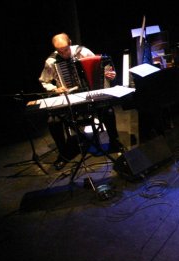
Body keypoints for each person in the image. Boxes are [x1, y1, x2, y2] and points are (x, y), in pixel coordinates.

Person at [38, 33, 123, 169]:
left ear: (70, 43)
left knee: (107, 110)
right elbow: (44, 81)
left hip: (89, 95)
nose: (63, 54)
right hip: (68, 98)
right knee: (53, 120)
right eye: (59, 51)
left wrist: (110, 75)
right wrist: (55, 88)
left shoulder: (83, 52)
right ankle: (63, 153)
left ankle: (114, 141)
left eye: (65, 49)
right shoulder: (51, 61)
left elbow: (101, 68)